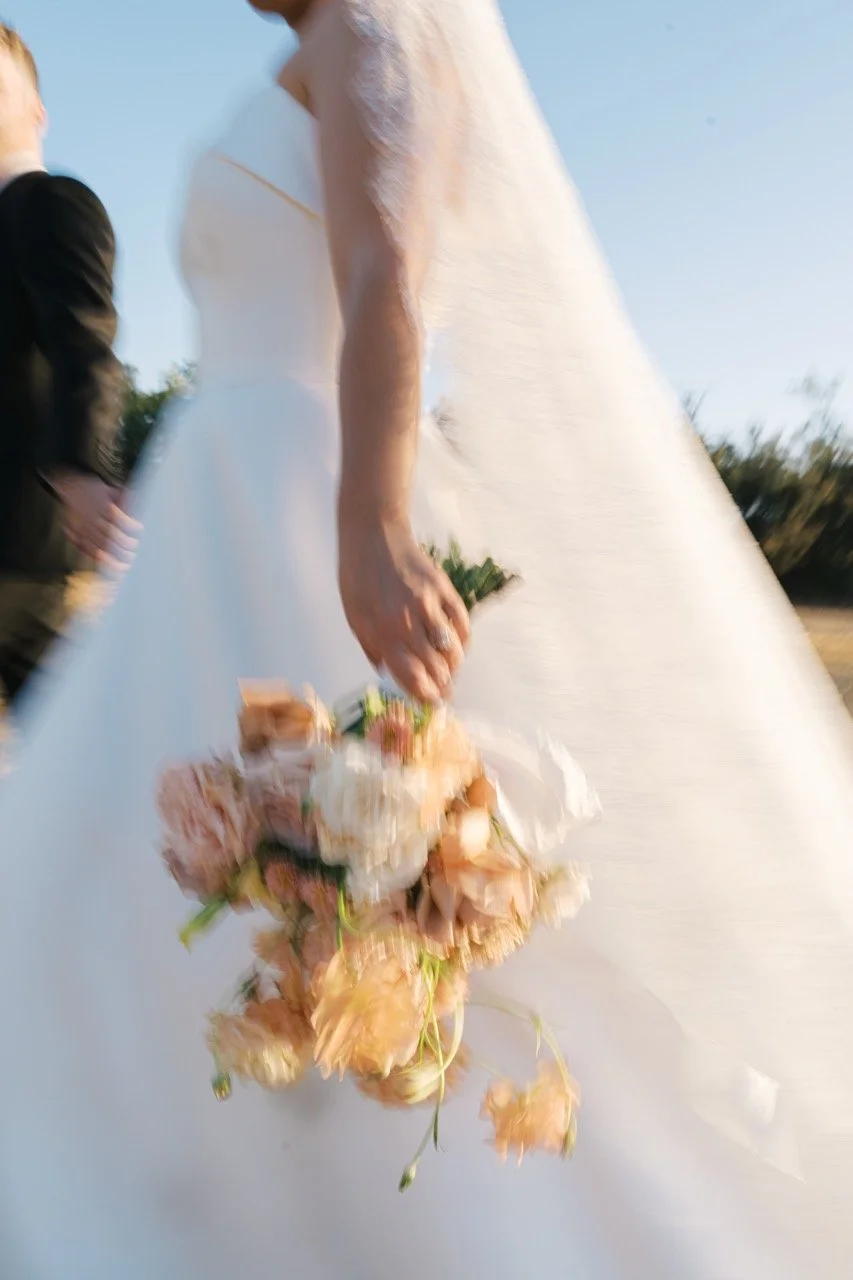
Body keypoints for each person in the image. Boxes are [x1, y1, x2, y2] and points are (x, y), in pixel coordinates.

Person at [2, 1, 853, 1275]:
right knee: (134, 871)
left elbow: (383, 271)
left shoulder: (377, 20)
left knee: (333, 872)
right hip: (213, 515)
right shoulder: (315, 47)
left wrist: (369, 522)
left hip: (301, 506)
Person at [0, 24, 129, 711]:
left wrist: (82, 470)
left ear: (36, 111)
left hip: (33, 555)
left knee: (70, 774)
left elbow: (85, 339)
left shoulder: (49, 203)